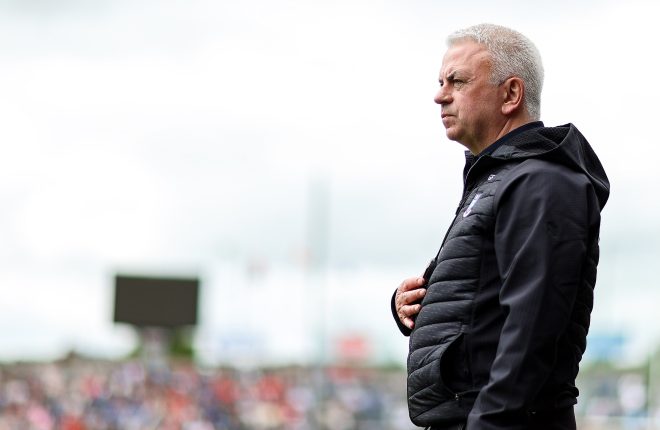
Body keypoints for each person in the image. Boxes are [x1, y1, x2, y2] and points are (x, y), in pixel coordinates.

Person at [391, 23, 609, 430]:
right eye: (440, 82)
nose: (440, 95)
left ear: (511, 94)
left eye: (457, 81)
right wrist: (416, 304)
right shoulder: (500, 178)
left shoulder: (542, 182)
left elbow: (533, 330)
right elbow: (481, 306)